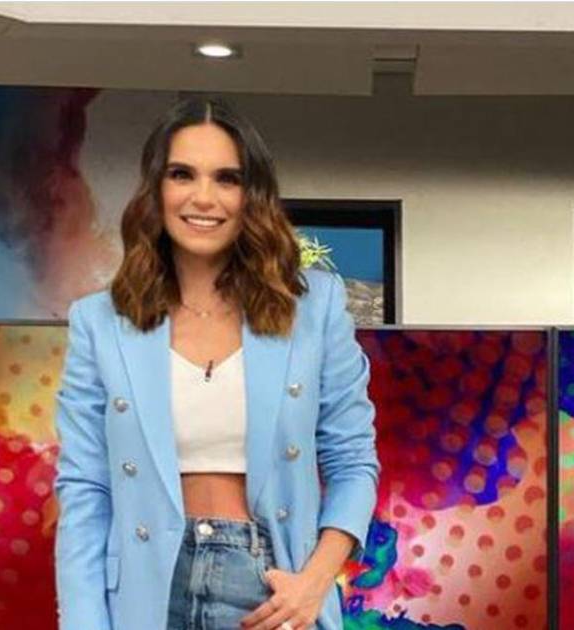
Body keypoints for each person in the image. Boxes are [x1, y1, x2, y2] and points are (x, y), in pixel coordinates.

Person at [53, 97, 379, 630]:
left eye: (227, 178)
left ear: (252, 196)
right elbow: (86, 488)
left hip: (271, 589)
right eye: (182, 174)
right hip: (144, 595)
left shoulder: (314, 306)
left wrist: (315, 583)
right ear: (156, 188)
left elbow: (353, 461)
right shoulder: (100, 321)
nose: (203, 197)